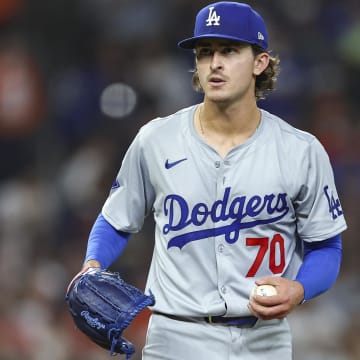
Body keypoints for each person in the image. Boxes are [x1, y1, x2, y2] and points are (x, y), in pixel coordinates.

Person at [69, 2, 347, 359]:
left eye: (229, 50)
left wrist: (299, 288)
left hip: (265, 340)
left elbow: (326, 247)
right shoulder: (156, 139)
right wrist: (92, 264)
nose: (214, 62)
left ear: (260, 62)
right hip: (176, 336)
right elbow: (115, 219)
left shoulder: (300, 150)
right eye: (205, 52)